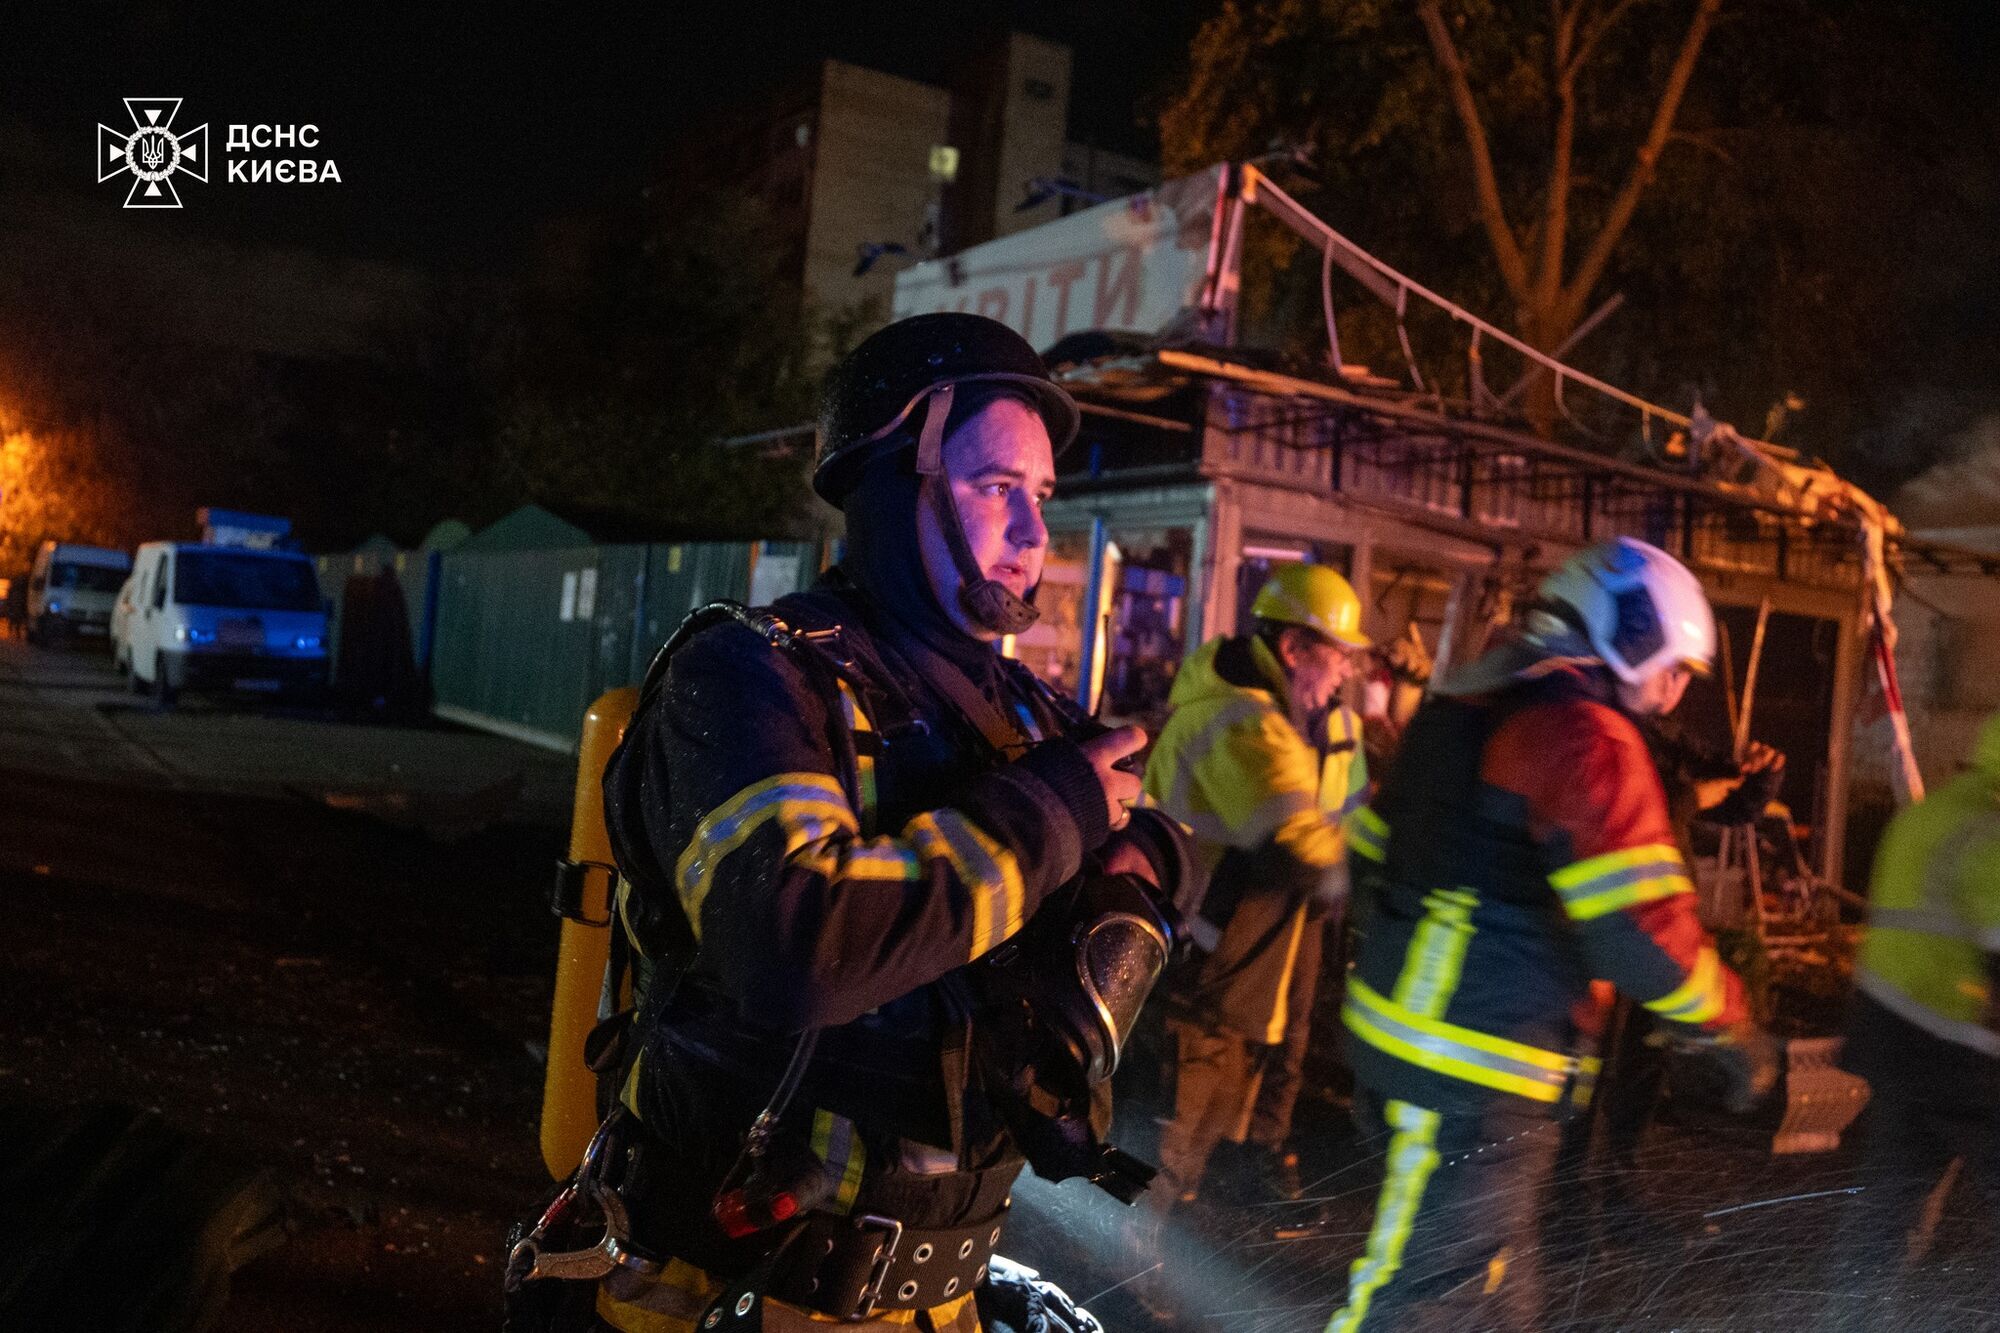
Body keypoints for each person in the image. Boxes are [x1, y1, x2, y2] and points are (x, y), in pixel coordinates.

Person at [546, 314, 1195, 1333]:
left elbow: (1158, 847)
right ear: (895, 482)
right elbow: (796, 945)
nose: (1032, 535)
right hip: (732, 1294)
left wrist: (1133, 868)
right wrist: (1056, 819)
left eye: (1040, 496)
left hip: (941, 1302)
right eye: (994, 489)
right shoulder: (756, 675)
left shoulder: (1031, 716)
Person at [1324, 537, 1779, 1332]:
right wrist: (1732, 1027)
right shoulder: (1587, 736)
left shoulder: (1462, 707)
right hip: (1477, 1071)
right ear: (1631, 636)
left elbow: (1367, 856)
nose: (1673, 694)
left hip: (1415, 1047)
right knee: (1419, 1304)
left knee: (1497, 1302)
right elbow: (1641, 929)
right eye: (1676, 667)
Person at [1141, 562, 1371, 1210]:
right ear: (1295, 648)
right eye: (1339, 654)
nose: (1347, 671)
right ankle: (1125, 1284)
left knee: (1192, 1147)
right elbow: (1304, 852)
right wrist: (1385, 859)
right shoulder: (1248, 723)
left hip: (1228, 969)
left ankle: (1148, 1271)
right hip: (1207, 973)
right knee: (1166, 1152)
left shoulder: (1267, 713)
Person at [1822, 711, 2000, 1326]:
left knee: (1888, 1203)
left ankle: (1851, 1321)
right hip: (1957, 1053)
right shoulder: (1991, 833)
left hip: (1891, 1036)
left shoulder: (1932, 813)